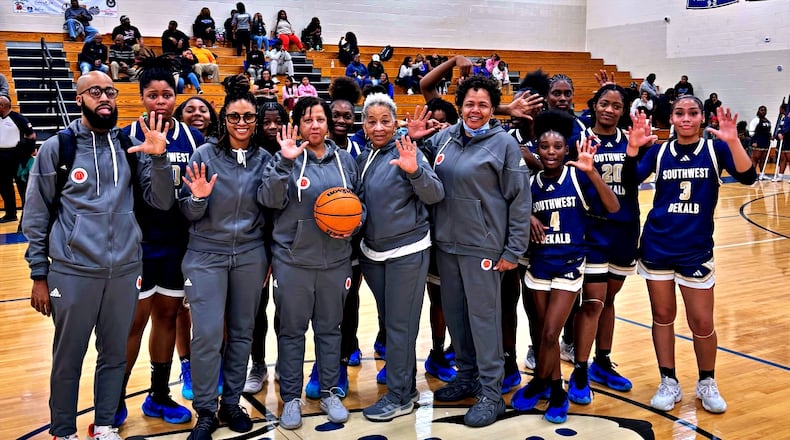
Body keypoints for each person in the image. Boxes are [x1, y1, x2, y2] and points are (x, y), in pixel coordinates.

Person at [24, 71, 174, 440]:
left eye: (109, 91)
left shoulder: (127, 145)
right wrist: (39, 275)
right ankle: (62, 431)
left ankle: (105, 425)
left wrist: (158, 159)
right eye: (95, 92)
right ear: (79, 99)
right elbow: (36, 215)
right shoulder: (57, 148)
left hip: (124, 269)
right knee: (68, 358)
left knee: (114, 355)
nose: (104, 97)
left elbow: (162, 200)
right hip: (73, 271)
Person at [412, 76, 531, 427]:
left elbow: (519, 200)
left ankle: (491, 394)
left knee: (484, 320)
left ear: (493, 109)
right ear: (460, 106)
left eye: (482, 104)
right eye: (469, 103)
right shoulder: (445, 137)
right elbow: (416, 158)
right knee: (456, 316)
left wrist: (513, 249)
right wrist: (416, 138)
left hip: (484, 245)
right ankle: (466, 376)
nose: (474, 110)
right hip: (447, 244)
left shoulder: (505, 144)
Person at [623, 99, 756, 414]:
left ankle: (706, 381)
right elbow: (629, 183)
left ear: (702, 118)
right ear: (671, 118)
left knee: (702, 322)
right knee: (663, 316)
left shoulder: (716, 150)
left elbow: (749, 178)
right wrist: (632, 150)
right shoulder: (659, 152)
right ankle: (668, 381)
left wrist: (734, 140)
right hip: (657, 245)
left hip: (696, 249)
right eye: (679, 113)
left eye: (692, 113)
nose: (686, 118)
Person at [179, 75, 273, 439]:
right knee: (204, 335)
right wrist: (199, 197)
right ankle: (205, 410)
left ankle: (231, 402)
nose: (242, 124)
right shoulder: (203, 155)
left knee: (242, 333)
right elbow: (187, 211)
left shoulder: (266, 159)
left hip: (250, 256)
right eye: (235, 117)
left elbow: (271, 212)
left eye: (248, 117)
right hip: (205, 256)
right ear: (224, 119)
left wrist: (267, 259)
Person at [511, 110, 619, 424]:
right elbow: (513, 212)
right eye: (544, 147)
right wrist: (527, 216)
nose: (551, 152)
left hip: (569, 266)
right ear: (537, 150)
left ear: (566, 150)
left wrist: (594, 173)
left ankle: (555, 391)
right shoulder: (530, 183)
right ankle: (545, 383)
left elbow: (612, 207)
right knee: (543, 334)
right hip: (539, 267)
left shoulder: (578, 176)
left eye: (557, 147)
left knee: (549, 333)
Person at [260, 96, 359, 429]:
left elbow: (359, 205)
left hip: (336, 260)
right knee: (291, 333)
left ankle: (330, 391)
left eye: (319, 119)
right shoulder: (282, 158)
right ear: (297, 125)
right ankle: (291, 398)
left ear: (327, 123)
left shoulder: (346, 161)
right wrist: (286, 162)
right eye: (307, 120)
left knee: (331, 330)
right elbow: (269, 200)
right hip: (293, 261)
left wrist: (353, 223)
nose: (314, 125)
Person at [118, 56, 204, 428]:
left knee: (167, 317)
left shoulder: (192, 137)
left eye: (167, 94)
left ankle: (158, 395)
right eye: (152, 95)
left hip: (177, 244)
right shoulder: (124, 137)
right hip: (137, 245)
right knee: (132, 323)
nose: (160, 102)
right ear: (141, 97)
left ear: (175, 97)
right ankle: (114, 397)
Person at [357, 93, 444, 421]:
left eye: (385, 121)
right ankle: (403, 388)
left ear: (397, 123)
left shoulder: (408, 151)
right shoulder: (368, 155)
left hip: (406, 251)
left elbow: (435, 194)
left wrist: (414, 171)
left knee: (400, 326)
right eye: (371, 121)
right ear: (364, 125)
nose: (378, 127)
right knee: (392, 325)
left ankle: (400, 395)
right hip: (373, 254)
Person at [567, 84, 638, 407]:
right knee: (593, 303)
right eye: (604, 104)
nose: (610, 110)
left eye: (617, 106)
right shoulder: (580, 139)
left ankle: (602, 361)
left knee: (609, 300)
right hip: (592, 230)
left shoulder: (632, 142)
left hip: (624, 230)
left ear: (624, 111)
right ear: (594, 106)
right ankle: (580, 369)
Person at [241, 101, 289, 396]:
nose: (272, 127)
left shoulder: (294, 151)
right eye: (266, 121)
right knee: (255, 310)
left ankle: (285, 361)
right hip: (255, 243)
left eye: (277, 121)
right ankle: (257, 364)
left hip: (287, 243)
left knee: (286, 308)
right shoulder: (251, 155)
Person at [0, 95, 35, 223]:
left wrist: (29, 150)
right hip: (1, 157)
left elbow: (31, 135)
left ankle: (27, 217)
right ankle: (10, 214)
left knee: (22, 187)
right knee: (4, 186)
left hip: (16, 157)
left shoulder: (18, 118)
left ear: (3, 106)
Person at [748, 105, 772, 177]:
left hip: (765, 143)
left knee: (763, 159)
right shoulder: (755, 120)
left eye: (764, 110)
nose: (763, 111)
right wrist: (754, 142)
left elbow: (769, 131)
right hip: (757, 143)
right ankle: (752, 175)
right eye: (761, 110)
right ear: (758, 111)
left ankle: (762, 174)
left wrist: (771, 137)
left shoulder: (768, 121)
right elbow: (751, 132)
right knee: (755, 159)